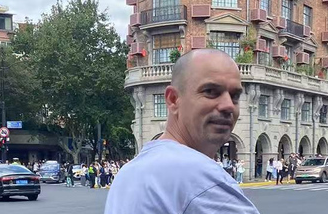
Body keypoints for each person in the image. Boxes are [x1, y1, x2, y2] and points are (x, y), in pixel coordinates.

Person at [104, 49, 259, 213]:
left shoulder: (127, 174)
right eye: (211, 92)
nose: (228, 105)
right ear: (173, 99)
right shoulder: (200, 176)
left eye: (235, 96)